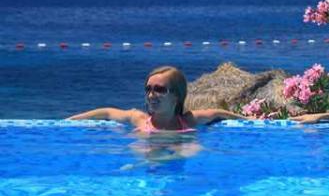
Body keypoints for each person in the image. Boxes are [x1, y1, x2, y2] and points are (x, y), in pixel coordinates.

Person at [67, 66, 246, 133]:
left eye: (160, 90)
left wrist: (249, 120)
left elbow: (217, 113)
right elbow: (106, 112)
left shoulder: (188, 120)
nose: (151, 95)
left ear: (176, 95)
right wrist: (68, 121)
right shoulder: (138, 119)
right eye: (148, 89)